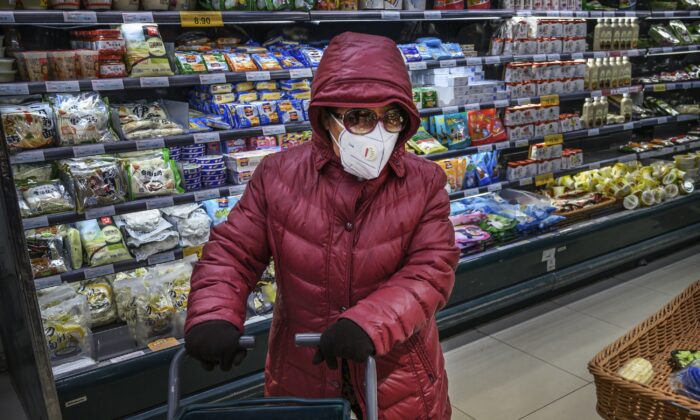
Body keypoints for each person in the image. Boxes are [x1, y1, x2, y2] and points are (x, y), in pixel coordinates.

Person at [184, 31, 460, 420]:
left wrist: (369, 323)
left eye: (392, 117)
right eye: (360, 117)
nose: (379, 133)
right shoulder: (277, 176)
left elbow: (431, 271)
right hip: (302, 375)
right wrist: (214, 313)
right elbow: (232, 252)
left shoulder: (424, 182)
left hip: (398, 377)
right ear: (326, 117)